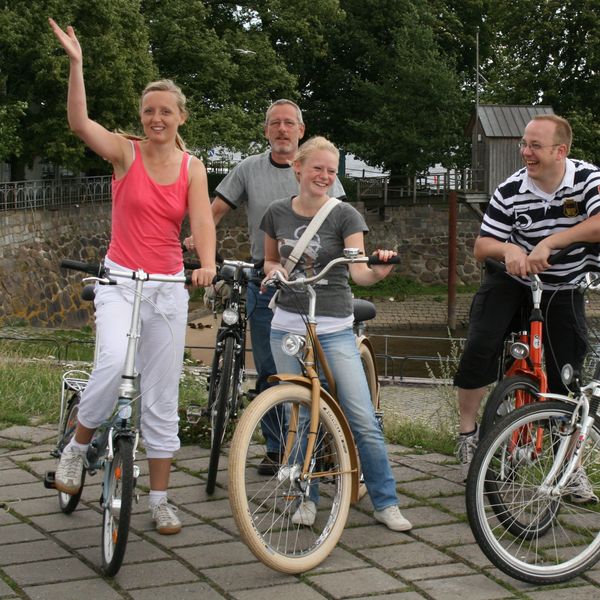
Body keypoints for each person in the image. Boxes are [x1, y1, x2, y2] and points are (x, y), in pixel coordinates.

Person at [49, 18, 216, 534]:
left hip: (167, 287)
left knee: (163, 396)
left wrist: (206, 265)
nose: (156, 119)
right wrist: (77, 64)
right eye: (149, 111)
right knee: (114, 362)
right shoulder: (125, 152)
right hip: (120, 279)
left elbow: (203, 221)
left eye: (166, 111)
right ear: (141, 118)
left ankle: (161, 498)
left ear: (180, 116)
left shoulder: (192, 167)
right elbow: (80, 124)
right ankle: (77, 448)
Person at [260, 136, 412, 531]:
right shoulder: (276, 212)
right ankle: (304, 498)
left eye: (331, 170)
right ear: (298, 167)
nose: (324, 176)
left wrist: (378, 271)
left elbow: (358, 271)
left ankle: (385, 501)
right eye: (317, 168)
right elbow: (271, 259)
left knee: (361, 417)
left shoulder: (344, 215)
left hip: (333, 327)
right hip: (288, 327)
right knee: (300, 413)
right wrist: (273, 272)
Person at [188, 100, 346, 475]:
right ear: (265, 132)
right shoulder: (248, 169)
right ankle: (277, 447)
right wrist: (197, 237)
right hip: (266, 277)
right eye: (274, 124)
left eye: (289, 123)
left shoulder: (317, 169)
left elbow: (340, 220)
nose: (281, 130)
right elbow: (215, 210)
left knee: (316, 370)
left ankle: (317, 442)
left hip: (314, 280)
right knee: (270, 368)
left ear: (300, 131)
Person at [454, 114, 600, 499]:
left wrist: (552, 242)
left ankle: (567, 465)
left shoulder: (588, 180)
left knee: (564, 374)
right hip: (513, 279)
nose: (526, 152)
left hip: (564, 285)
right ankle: (468, 435)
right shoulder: (511, 188)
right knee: (480, 345)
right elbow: (483, 245)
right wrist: (511, 249)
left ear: (559, 151)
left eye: (535, 145)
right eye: (523, 144)